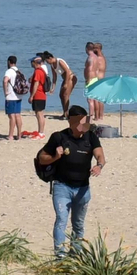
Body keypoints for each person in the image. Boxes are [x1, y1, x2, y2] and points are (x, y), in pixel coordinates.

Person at [36, 105, 105, 254]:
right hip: (62, 187)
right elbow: (41, 158)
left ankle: (75, 255)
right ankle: (60, 256)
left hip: (83, 188)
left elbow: (100, 155)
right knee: (61, 220)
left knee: (78, 224)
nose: (84, 125)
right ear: (71, 122)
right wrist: (55, 156)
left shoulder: (91, 137)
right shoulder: (58, 137)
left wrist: (99, 166)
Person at [41, 50, 77, 118]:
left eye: (47, 61)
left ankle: (67, 113)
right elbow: (54, 77)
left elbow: (67, 71)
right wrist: (53, 88)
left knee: (65, 95)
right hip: (65, 79)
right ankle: (64, 112)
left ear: (50, 58)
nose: (48, 63)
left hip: (71, 78)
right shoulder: (52, 65)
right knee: (61, 95)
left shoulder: (59, 61)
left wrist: (66, 83)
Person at [3, 55, 26, 140]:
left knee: (11, 116)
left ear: (9, 62)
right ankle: (19, 135)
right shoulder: (18, 71)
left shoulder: (9, 71)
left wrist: (5, 91)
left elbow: (5, 80)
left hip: (11, 96)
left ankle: (11, 135)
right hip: (19, 95)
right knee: (18, 115)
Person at [27, 55, 49, 138]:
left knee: (39, 114)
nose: (31, 64)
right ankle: (41, 131)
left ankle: (41, 132)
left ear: (35, 63)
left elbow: (36, 83)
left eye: (31, 62)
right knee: (41, 114)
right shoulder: (42, 71)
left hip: (38, 95)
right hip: (42, 95)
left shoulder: (37, 72)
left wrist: (32, 96)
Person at [84, 42, 107, 123]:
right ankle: (99, 116)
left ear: (98, 49)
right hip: (100, 80)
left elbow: (93, 70)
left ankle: (97, 116)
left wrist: (89, 79)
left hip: (98, 80)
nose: (93, 50)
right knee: (99, 99)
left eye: (95, 48)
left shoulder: (99, 58)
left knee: (96, 99)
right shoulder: (101, 57)